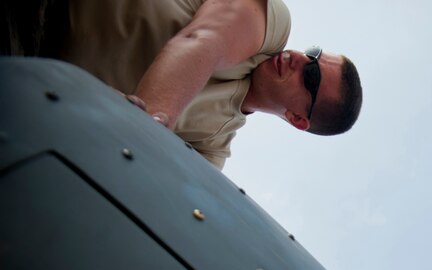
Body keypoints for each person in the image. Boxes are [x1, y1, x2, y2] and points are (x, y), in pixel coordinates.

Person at [45, 0, 362, 169]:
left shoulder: (209, 150)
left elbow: (128, 174)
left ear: (297, 119)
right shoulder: (273, 26)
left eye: (312, 76)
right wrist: (150, 122)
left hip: (34, 59)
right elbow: (206, 38)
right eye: (313, 54)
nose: (300, 59)